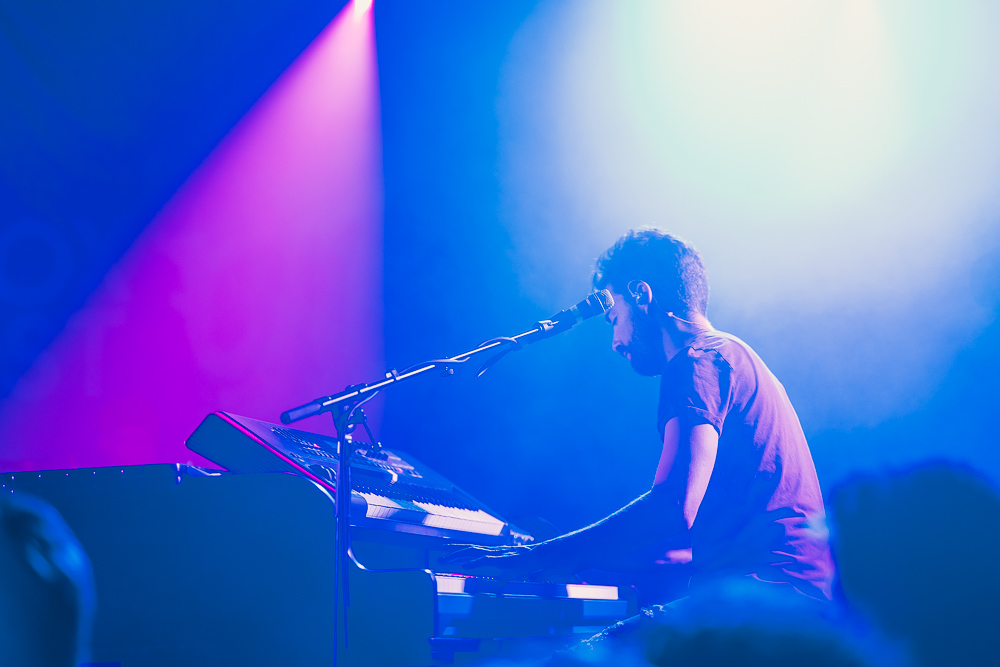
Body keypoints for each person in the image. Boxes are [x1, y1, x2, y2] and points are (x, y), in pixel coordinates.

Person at [444, 228, 834, 625]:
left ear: (641, 295)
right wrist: (568, 557)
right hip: (795, 598)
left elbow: (672, 507)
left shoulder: (697, 360)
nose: (615, 341)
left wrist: (538, 556)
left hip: (765, 599)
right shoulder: (734, 355)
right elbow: (678, 547)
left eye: (614, 319)